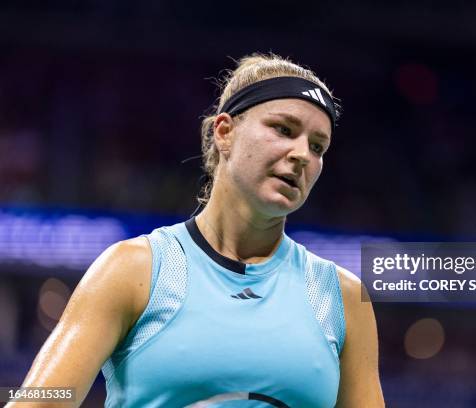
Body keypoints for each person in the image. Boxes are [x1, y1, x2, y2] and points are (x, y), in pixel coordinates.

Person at [12, 53, 384, 407]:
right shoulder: (134, 270)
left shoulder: (344, 298)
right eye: (283, 129)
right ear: (225, 132)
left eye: (318, 146)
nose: (303, 154)